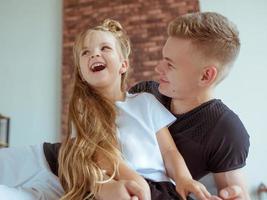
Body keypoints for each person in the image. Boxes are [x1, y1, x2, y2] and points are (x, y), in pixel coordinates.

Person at [53, 18, 213, 200]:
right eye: (85, 52)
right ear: (81, 73)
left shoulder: (145, 102)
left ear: (123, 65)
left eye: (104, 48)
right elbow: (93, 159)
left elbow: (169, 151)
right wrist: (129, 182)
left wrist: (184, 179)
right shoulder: (84, 111)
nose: (94, 55)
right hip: (119, 185)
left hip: (161, 188)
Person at [128, 12, 250, 200]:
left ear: (205, 76)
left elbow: (236, 193)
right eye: (163, 58)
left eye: (170, 65)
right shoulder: (143, 93)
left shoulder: (226, 131)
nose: (158, 68)